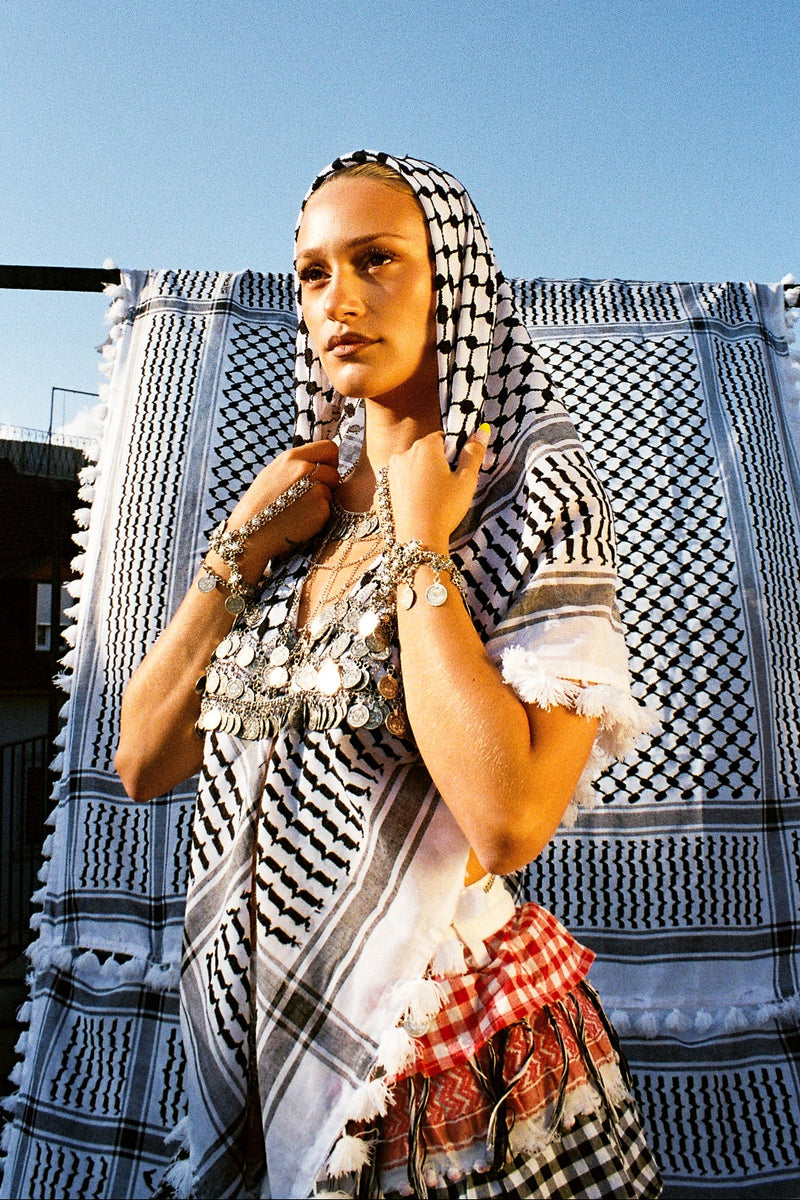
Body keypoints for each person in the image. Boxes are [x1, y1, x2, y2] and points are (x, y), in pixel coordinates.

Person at [116, 151, 662, 1200]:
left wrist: (421, 549)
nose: (338, 301)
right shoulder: (296, 510)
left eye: (377, 261)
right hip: (255, 1024)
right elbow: (144, 758)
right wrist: (234, 550)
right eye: (313, 274)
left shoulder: (527, 499)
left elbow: (505, 819)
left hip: (442, 1059)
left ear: (450, 283)